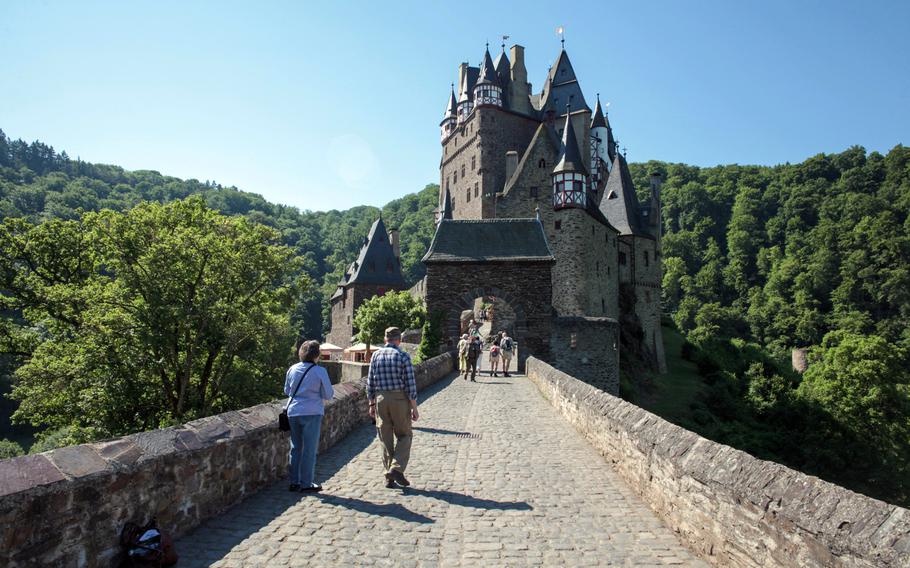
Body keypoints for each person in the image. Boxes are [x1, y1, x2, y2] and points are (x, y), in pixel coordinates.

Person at [367, 327, 419, 488]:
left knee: (385, 437)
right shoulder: (403, 356)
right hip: (399, 399)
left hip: (381, 399)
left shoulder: (375, 355)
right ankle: (396, 469)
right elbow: (410, 385)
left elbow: (370, 382)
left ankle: (388, 477)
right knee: (405, 435)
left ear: (385, 339)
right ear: (399, 339)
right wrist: (414, 408)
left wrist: (371, 403)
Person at [284, 340, 334, 493]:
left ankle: (294, 482)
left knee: (296, 448)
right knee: (309, 449)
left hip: (293, 411)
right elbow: (329, 394)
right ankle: (306, 483)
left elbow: (287, 391)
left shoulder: (292, 369)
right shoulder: (320, 371)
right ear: (316, 355)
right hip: (312, 412)